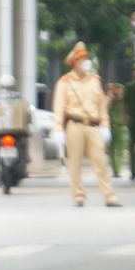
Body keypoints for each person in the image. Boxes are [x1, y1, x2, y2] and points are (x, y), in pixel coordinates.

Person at [54, 43, 118, 207]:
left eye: (86, 59)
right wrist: (58, 129)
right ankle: (78, 195)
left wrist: (105, 125)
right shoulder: (65, 82)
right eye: (83, 59)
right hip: (74, 125)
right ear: (75, 62)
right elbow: (59, 107)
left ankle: (109, 196)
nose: (86, 62)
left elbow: (101, 104)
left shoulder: (94, 80)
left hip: (93, 126)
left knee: (101, 162)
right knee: (74, 163)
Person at [0, 73, 30, 179]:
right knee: (25, 142)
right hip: (17, 131)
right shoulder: (20, 98)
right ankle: (25, 163)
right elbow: (28, 114)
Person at [107, 83, 130, 177]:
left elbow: (123, 101)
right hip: (110, 127)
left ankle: (118, 170)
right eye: (115, 89)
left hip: (121, 127)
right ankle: (114, 169)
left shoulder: (123, 100)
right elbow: (105, 106)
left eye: (118, 89)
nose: (116, 91)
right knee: (111, 150)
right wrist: (110, 97)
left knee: (120, 150)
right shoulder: (109, 99)